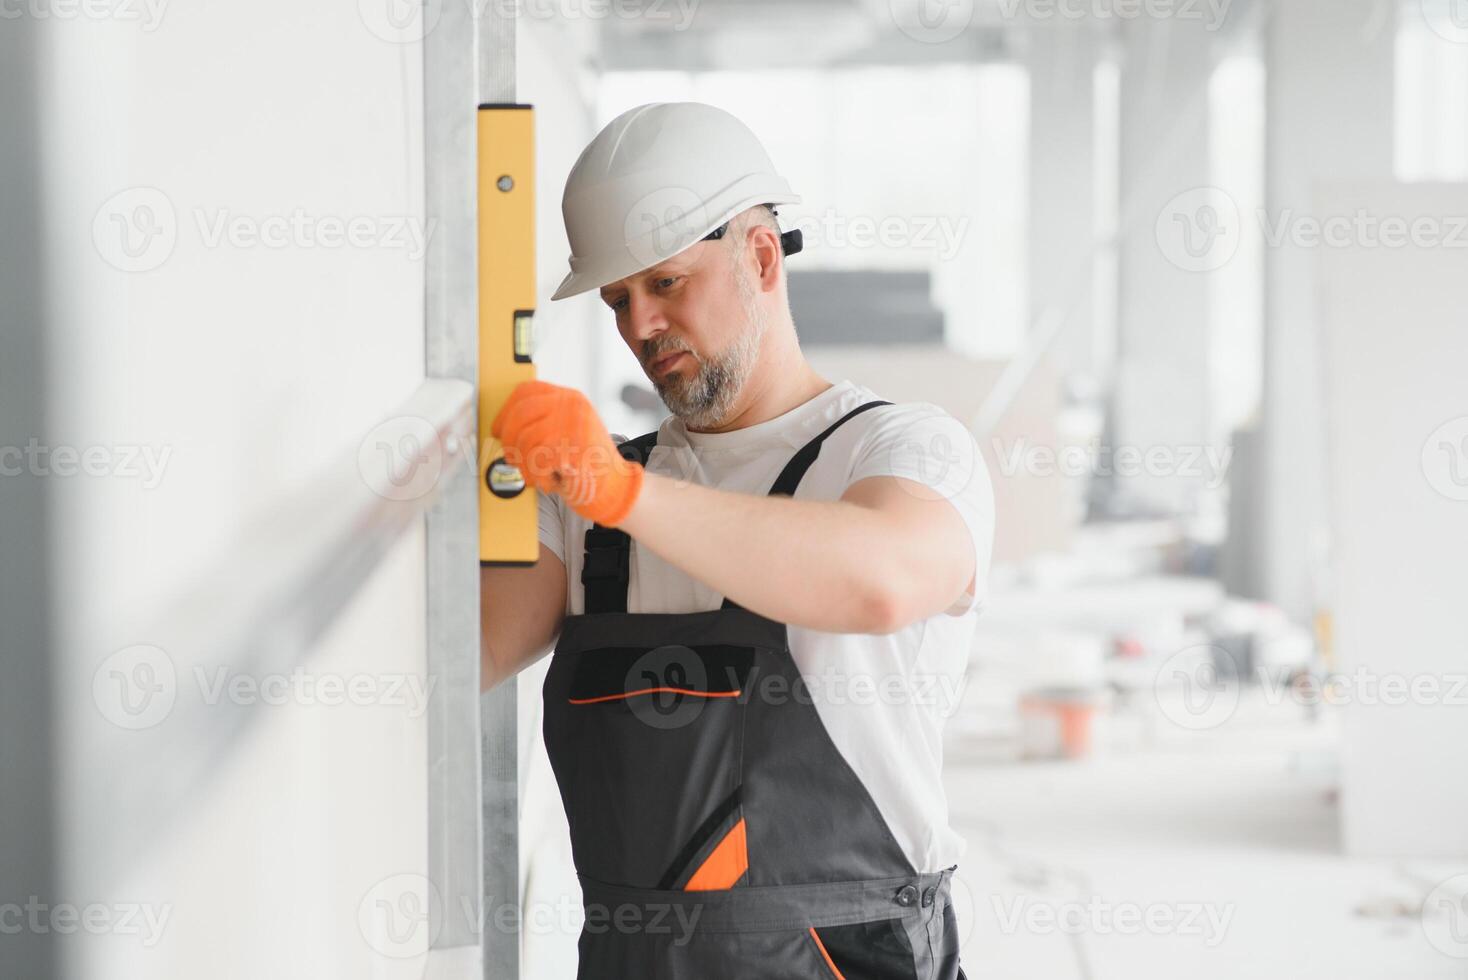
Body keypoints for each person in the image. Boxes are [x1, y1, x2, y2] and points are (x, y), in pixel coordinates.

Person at [482, 101, 991, 979]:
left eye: (666, 283)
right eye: (617, 299)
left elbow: (879, 581)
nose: (639, 327)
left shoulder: (899, 449)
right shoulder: (582, 500)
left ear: (760, 257)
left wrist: (621, 492)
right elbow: (465, 652)